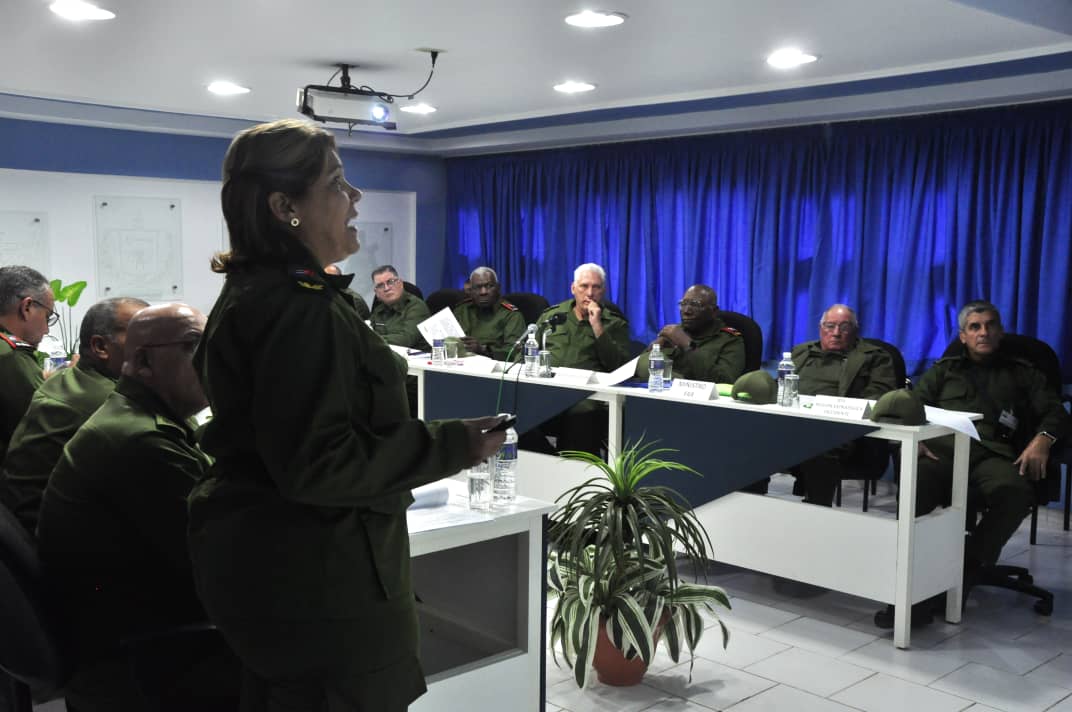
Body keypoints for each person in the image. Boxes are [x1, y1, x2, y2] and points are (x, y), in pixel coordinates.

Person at [186, 118, 505, 711]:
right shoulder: (297, 308)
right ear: (286, 207)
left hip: (280, 567)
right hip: (322, 580)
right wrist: (451, 445)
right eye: (337, 183)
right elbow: (320, 466)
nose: (355, 198)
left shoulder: (261, 290)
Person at [37, 303, 233, 712]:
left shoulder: (143, 416)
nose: (213, 361)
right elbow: (222, 560)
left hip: (124, 630)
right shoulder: (141, 441)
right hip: (140, 651)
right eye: (194, 347)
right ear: (142, 361)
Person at [914, 301, 1068, 571]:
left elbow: (1055, 411)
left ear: (1000, 332)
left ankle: (970, 565)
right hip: (944, 451)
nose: (983, 332)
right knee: (916, 482)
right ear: (963, 336)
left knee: (1014, 493)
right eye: (975, 327)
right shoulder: (944, 370)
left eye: (990, 325)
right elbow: (912, 406)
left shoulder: (1023, 373)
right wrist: (917, 441)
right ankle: (911, 564)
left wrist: (1044, 438)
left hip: (994, 455)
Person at [0, 296, 147, 533]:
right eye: (142, 337)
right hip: (52, 536)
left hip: (23, 520)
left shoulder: (66, 377)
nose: (151, 347)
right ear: (100, 347)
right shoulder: (112, 403)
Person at [786, 304, 897, 505]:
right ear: (821, 328)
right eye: (830, 326)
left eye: (844, 328)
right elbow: (781, 389)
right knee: (752, 438)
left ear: (855, 331)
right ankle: (753, 504)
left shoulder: (876, 357)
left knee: (819, 445)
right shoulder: (800, 353)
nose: (836, 333)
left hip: (843, 430)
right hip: (795, 424)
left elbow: (878, 398)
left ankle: (817, 511)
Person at [523, 263, 632, 456]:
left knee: (581, 414)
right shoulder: (553, 316)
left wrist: (597, 326)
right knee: (516, 410)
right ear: (573, 288)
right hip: (547, 390)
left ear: (603, 291)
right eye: (584, 286)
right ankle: (542, 463)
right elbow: (526, 354)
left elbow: (619, 367)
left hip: (587, 397)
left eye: (596, 287)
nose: (589, 293)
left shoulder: (615, 323)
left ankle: (572, 472)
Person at [635, 285, 745, 383]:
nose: (686, 311)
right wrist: (654, 348)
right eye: (683, 304)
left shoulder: (730, 340)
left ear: (714, 311)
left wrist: (687, 345)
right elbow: (639, 368)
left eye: (695, 305)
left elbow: (725, 381)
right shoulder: (673, 333)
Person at [0, 265, 53, 463]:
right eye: (47, 317)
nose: (47, 329)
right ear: (27, 307)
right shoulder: (11, 355)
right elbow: (45, 420)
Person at [453, 266, 525, 360]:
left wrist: (483, 350)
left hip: (493, 370)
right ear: (470, 291)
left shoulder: (511, 315)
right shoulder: (462, 310)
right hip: (459, 365)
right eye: (477, 287)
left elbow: (514, 352)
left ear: (498, 288)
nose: (483, 292)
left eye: (489, 286)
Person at [369, 264, 430, 349]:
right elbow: (369, 332)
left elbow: (406, 339)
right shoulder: (378, 310)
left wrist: (370, 340)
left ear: (400, 283)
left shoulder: (416, 306)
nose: (386, 288)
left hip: (414, 359)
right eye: (380, 285)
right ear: (376, 292)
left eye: (390, 282)